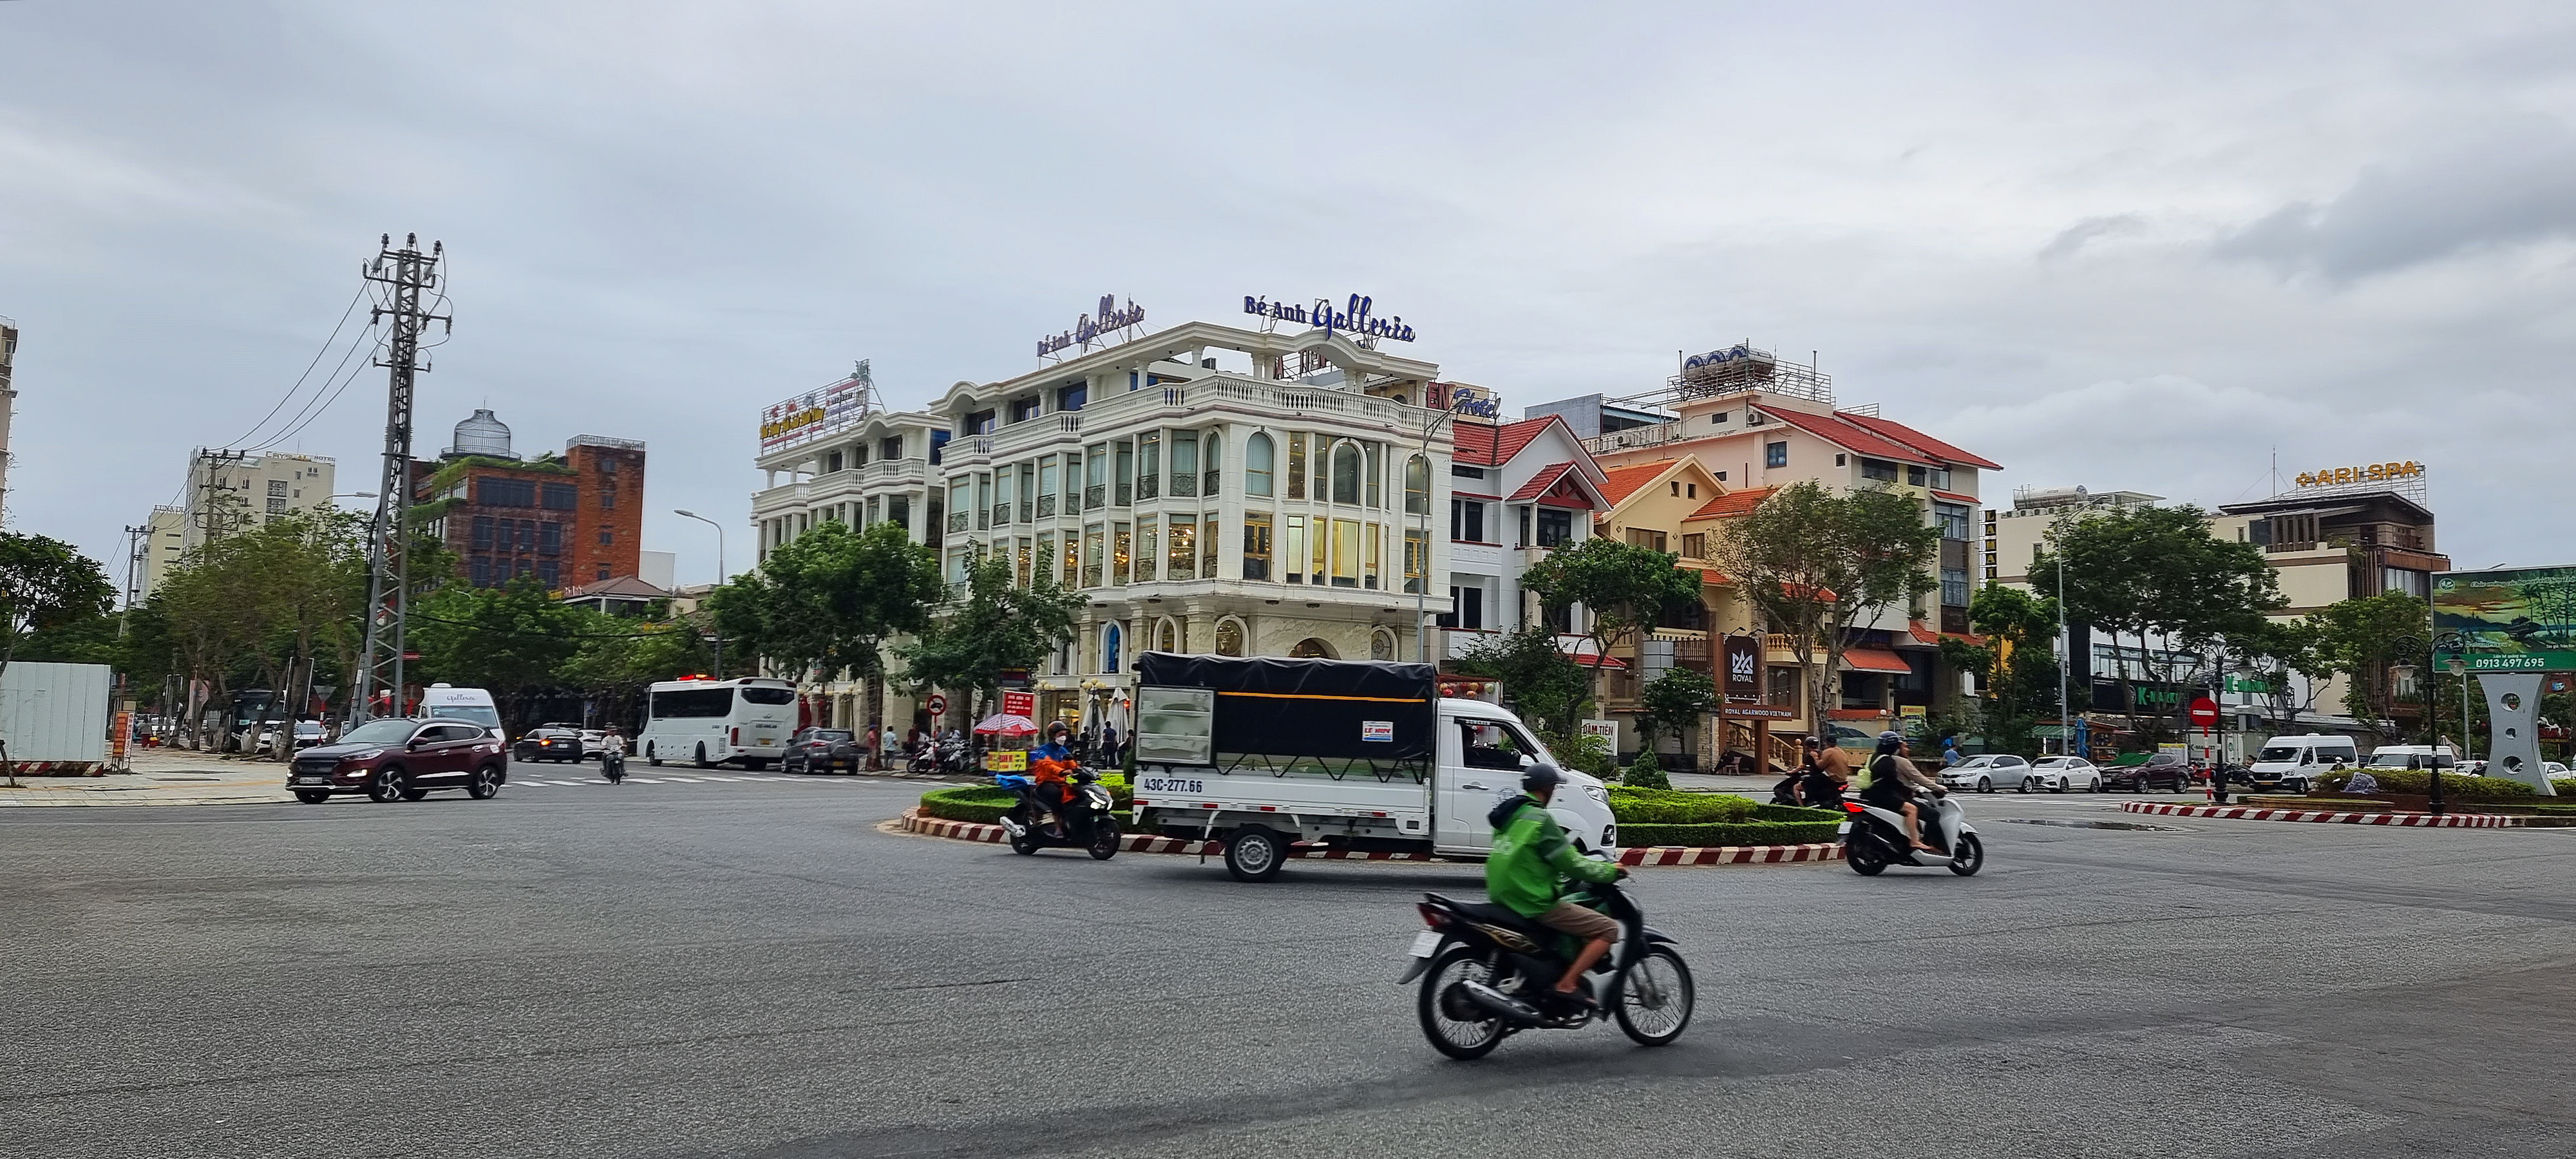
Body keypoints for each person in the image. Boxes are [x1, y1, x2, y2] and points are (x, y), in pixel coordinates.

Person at [1487, 763, 1626, 1008]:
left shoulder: (1512, 814)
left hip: (1503, 895)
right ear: (1548, 789)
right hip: (1531, 900)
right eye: (1554, 787)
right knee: (1608, 929)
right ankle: (1567, 983)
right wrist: (1609, 872)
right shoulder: (1541, 819)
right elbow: (1573, 864)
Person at [1861, 731, 1944, 852]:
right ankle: (1915, 842)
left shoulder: (1873, 757)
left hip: (1868, 794)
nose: (1907, 749)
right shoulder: (1889, 762)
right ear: (1894, 747)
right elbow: (1894, 782)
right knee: (1912, 809)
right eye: (1902, 746)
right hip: (1883, 796)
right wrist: (1911, 791)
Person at [1796, 736, 1846, 807]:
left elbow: (1820, 766)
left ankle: (1810, 802)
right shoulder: (1841, 752)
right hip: (1842, 779)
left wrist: (1815, 757)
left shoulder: (1828, 752)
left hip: (1831, 777)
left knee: (1807, 781)